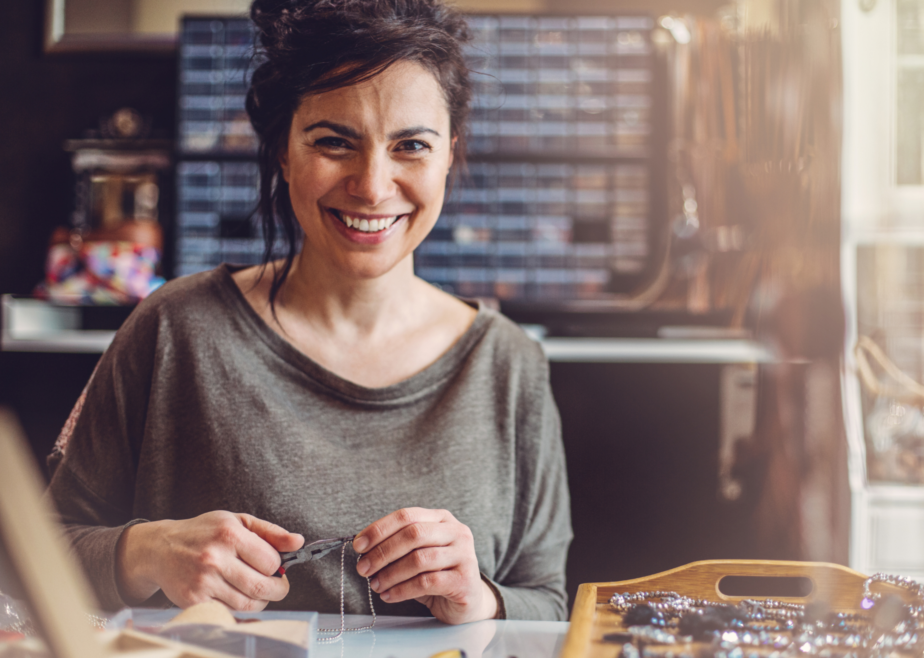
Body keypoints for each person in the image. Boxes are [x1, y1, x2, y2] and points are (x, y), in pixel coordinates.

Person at [45, 0, 572, 624]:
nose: (373, 185)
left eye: (411, 145)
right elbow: (33, 559)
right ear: (283, 152)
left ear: (448, 155)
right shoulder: (173, 329)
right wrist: (147, 552)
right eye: (333, 142)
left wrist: (479, 598)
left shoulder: (511, 365)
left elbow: (549, 604)